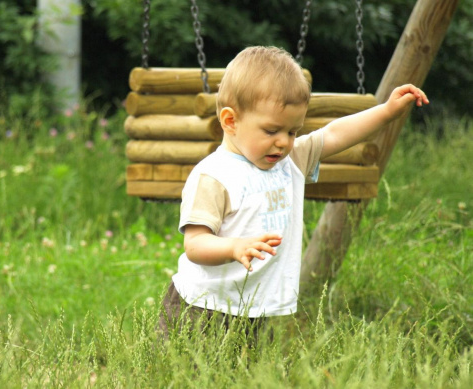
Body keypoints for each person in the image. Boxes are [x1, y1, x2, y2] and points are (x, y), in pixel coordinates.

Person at [159, 46, 429, 340]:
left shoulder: (291, 162)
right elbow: (195, 244)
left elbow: (335, 134)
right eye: (271, 131)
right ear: (230, 121)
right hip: (202, 307)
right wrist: (233, 247)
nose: (283, 143)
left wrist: (387, 111)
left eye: (292, 132)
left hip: (256, 308)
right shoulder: (213, 176)